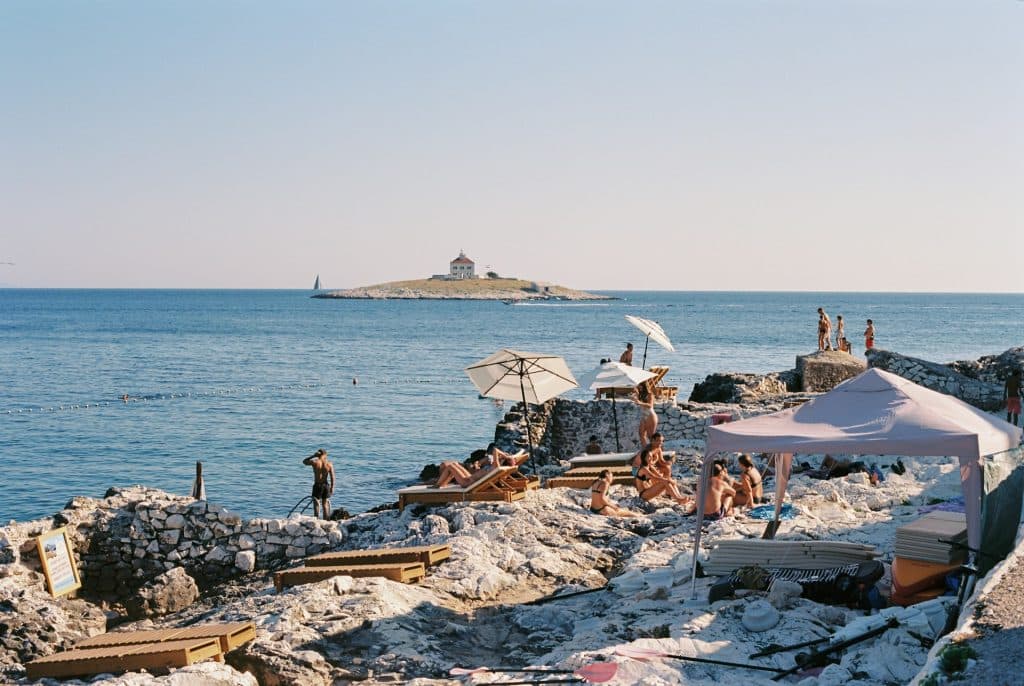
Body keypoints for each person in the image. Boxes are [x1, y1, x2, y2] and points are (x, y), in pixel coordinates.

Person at [302, 449, 335, 519]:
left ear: (318, 455)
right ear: (325, 455)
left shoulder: (315, 462)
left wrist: (313, 456)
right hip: (326, 485)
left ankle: (316, 519)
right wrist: (332, 487)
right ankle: (325, 520)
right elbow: (332, 477)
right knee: (325, 504)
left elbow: (304, 461)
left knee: (316, 504)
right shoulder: (329, 464)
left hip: (317, 485)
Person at [633, 381, 658, 446]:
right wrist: (636, 394)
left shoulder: (650, 394)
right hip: (644, 415)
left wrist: (640, 403)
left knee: (651, 436)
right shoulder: (640, 395)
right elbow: (639, 402)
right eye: (638, 386)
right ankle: (646, 449)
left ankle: (657, 450)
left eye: (640, 386)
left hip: (650, 415)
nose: (639, 387)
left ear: (644, 386)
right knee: (641, 434)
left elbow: (650, 405)